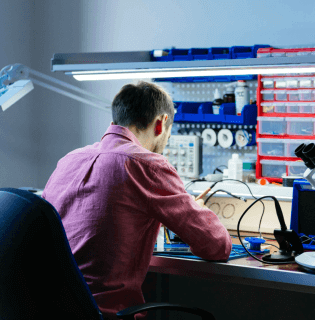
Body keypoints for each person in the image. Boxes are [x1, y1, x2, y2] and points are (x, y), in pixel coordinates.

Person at [42, 81, 232, 320]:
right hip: (106, 314)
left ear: (115, 121)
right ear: (161, 124)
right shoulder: (147, 164)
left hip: (51, 308)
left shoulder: (68, 160)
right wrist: (198, 211)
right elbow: (218, 246)